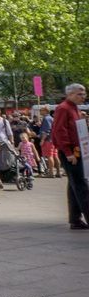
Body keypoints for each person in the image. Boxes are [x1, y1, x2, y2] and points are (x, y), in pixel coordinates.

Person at [50, 83, 88, 230]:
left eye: (84, 93)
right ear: (70, 94)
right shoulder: (64, 108)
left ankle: (75, 219)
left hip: (77, 150)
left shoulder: (74, 108)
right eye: (80, 94)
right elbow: (59, 131)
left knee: (74, 186)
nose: (83, 96)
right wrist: (68, 152)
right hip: (71, 152)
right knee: (81, 185)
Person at [39, 105, 61, 178]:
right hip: (53, 139)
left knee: (50, 156)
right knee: (55, 156)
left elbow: (46, 131)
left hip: (48, 140)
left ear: (45, 110)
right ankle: (58, 172)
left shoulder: (46, 118)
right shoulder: (51, 118)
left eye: (41, 110)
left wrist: (42, 140)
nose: (40, 111)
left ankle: (51, 173)